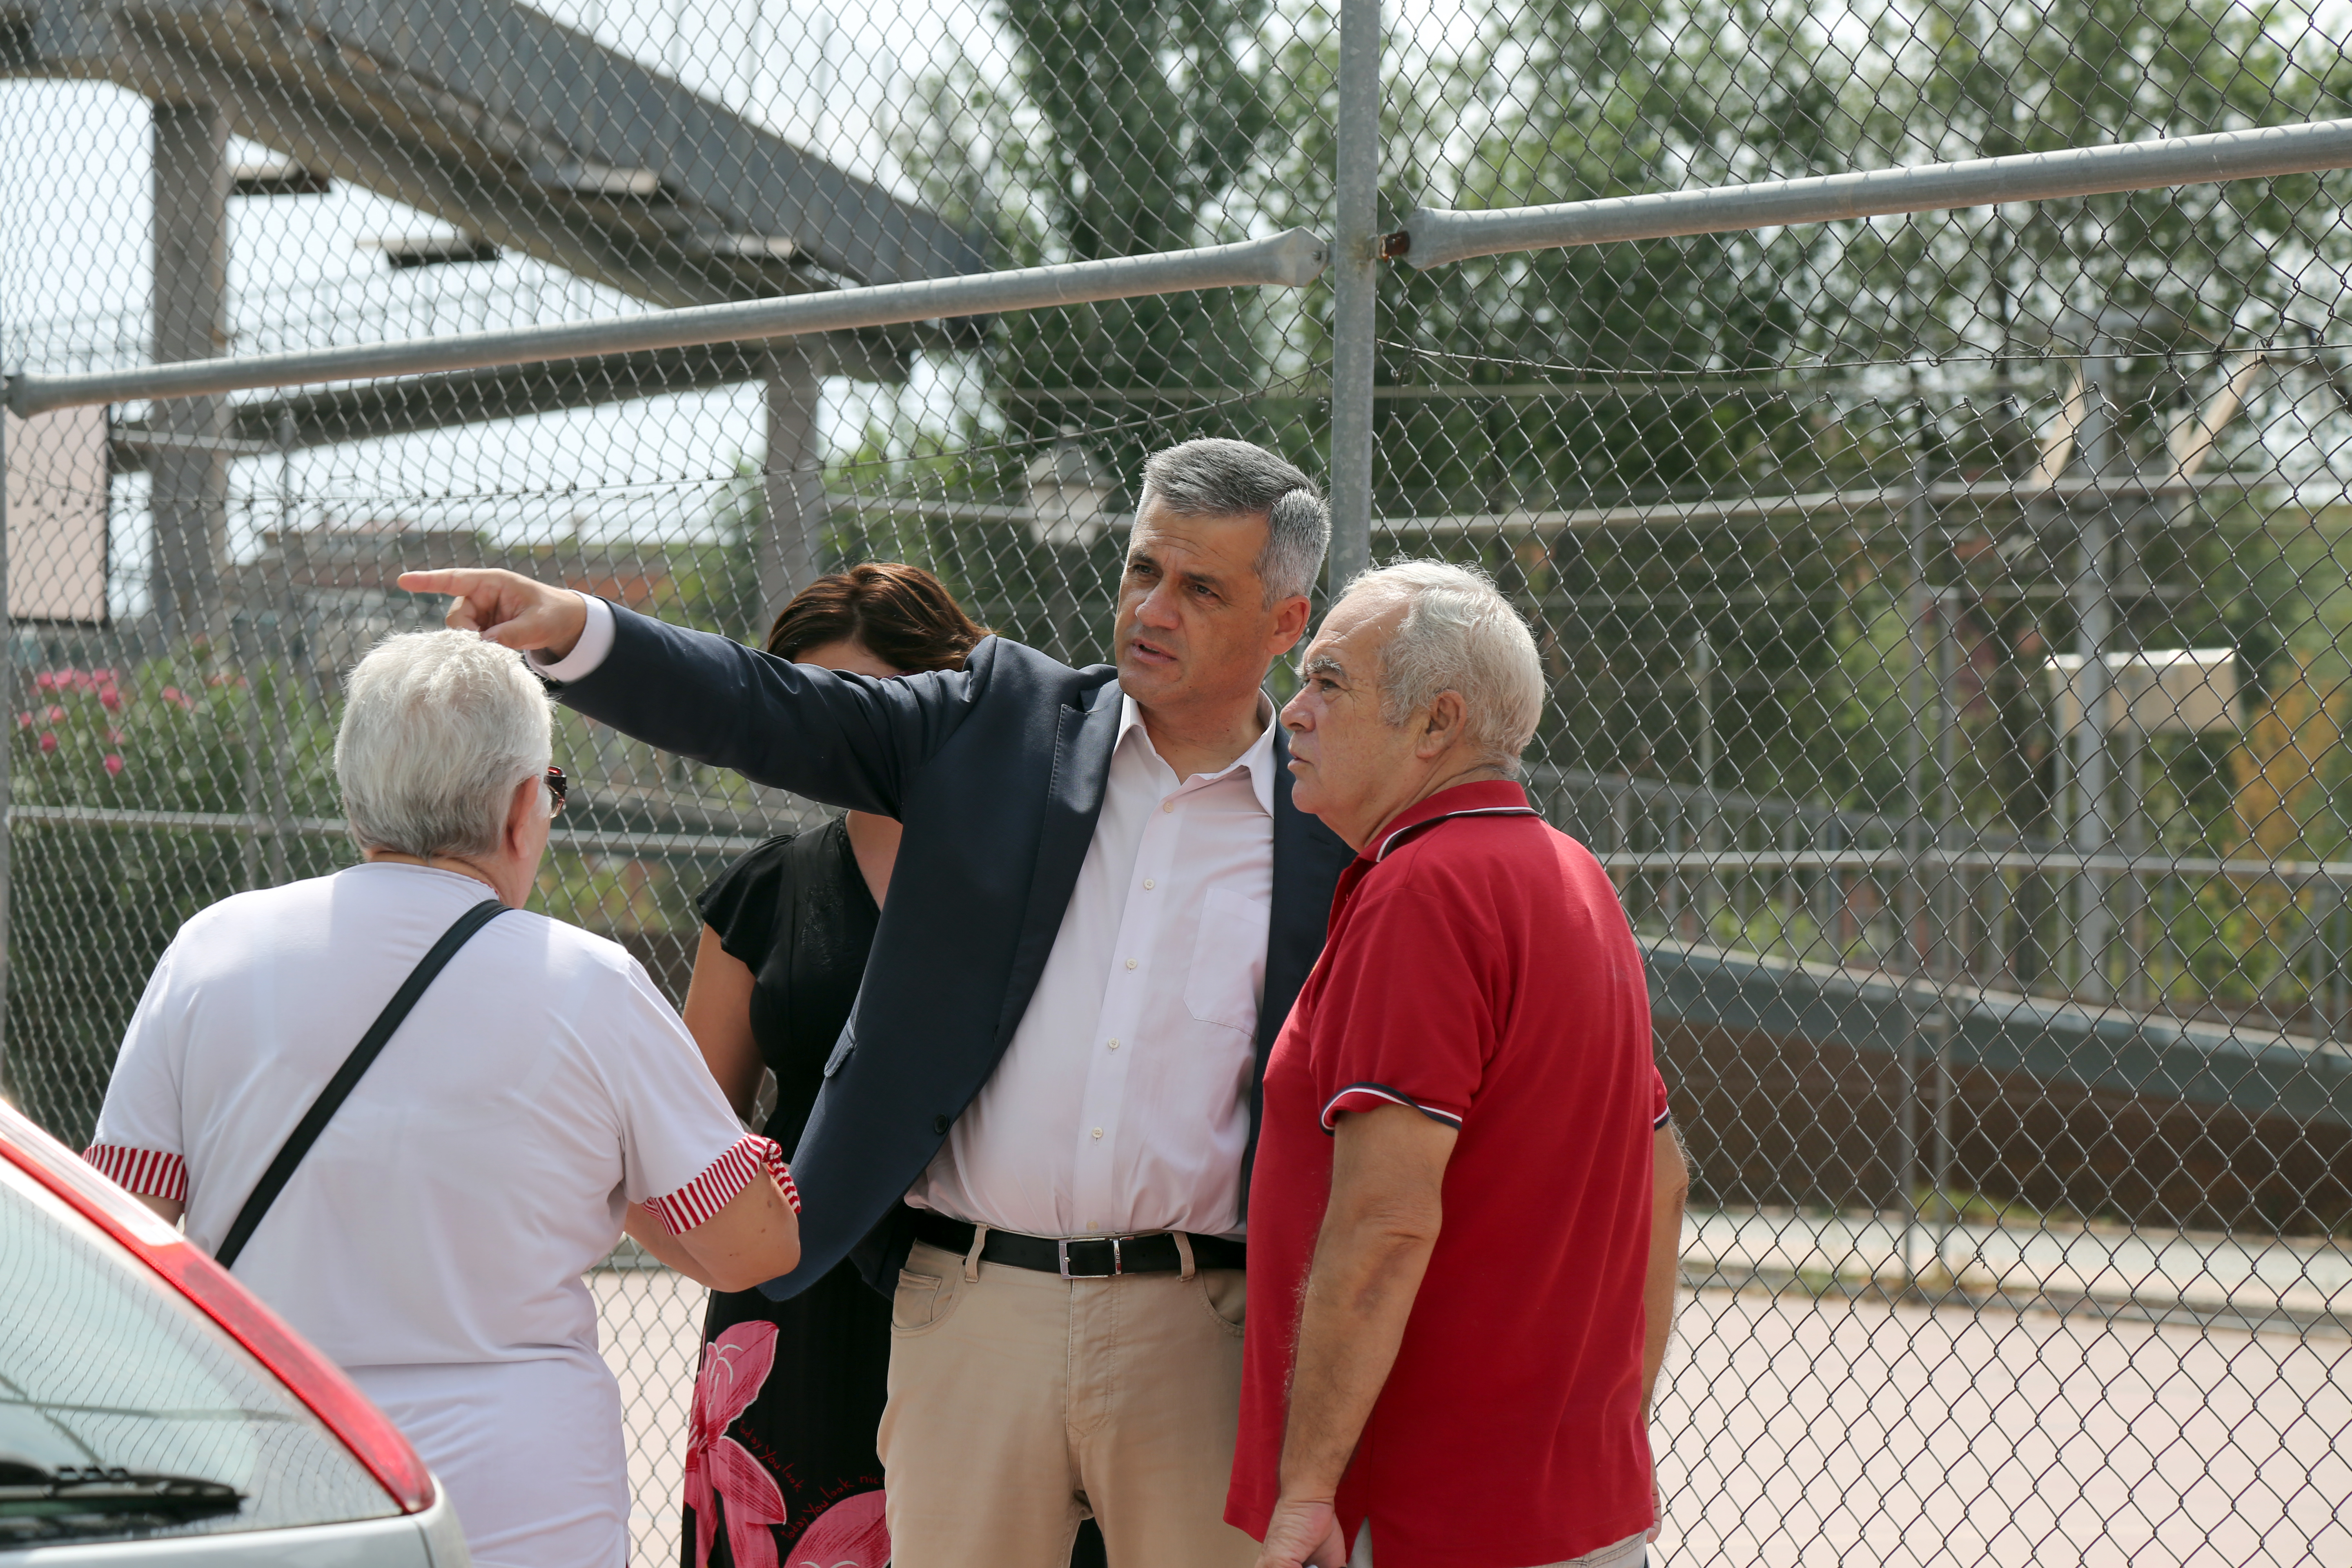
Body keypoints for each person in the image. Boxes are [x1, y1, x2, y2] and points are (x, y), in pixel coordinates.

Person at [398, 437, 1358, 1568]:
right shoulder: (998, 723)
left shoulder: (1331, 820)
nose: (1154, 606)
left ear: (1286, 625)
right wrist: (578, 632)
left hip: (1206, 1333)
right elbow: (767, 708)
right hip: (975, 1315)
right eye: (1144, 569)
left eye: (1202, 589)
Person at [82, 629, 804, 1568]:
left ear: (355, 796)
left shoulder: (212, 952)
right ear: (518, 809)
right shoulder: (590, 984)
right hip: (516, 1506)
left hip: (270, 1470)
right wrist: (614, 1174)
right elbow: (752, 1246)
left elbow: (121, 1226)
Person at [1227, 561, 1689, 1568]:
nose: (1293, 714)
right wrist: (1602, 1428)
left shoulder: (1425, 892)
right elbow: (1665, 1175)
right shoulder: (1574, 876)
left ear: (1436, 726)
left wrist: (1306, 1492)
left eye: (1329, 683)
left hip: (1428, 1515)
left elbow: (1386, 1223)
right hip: (1574, 1505)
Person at [674, 563, 1097, 1568]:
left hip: (1010, 1292)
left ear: (946, 693)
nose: (830, 734)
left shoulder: (1059, 880)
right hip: (797, 1304)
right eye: (804, 703)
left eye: (856, 700)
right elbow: (692, 1129)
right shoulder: (763, 893)